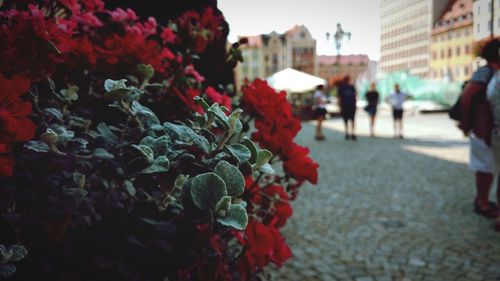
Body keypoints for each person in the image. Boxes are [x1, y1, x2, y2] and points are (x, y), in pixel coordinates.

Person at [460, 38, 500, 221]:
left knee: (487, 167)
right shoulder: (486, 72)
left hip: (486, 128)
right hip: (483, 129)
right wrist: (467, 123)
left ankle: (482, 200)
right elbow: (469, 95)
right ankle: (482, 202)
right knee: (484, 167)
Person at [337, 75, 357, 140]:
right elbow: (355, 96)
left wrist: (339, 106)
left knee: (347, 120)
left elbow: (339, 98)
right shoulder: (349, 87)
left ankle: (348, 133)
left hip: (346, 106)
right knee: (352, 120)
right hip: (350, 106)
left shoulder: (348, 87)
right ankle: (351, 133)